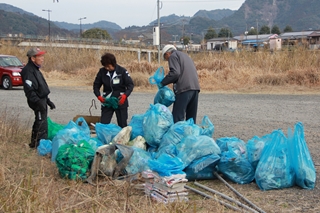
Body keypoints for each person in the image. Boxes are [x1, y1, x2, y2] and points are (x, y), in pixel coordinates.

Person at [21, 47, 56, 148]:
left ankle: (36, 144)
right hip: (37, 102)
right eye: (40, 56)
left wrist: (48, 101)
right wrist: (37, 102)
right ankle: (39, 146)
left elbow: (41, 89)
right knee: (41, 124)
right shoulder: (28, 71)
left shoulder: (36, 69)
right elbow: (29, 90)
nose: (42, 58)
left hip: (42, 100)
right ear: (33, 58)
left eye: (42, 56)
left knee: (41, 121)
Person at [159, 44, 200, 123]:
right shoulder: (185, 56)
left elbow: (175, 73)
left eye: (166, 58)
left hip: (184, 89)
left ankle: (177, 135)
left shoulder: (173, 56)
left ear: (167, 53)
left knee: (177, 117)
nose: (167, 60)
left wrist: (163, 83)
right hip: (195, 88)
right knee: (191, 119)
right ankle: (191, 134)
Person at [93, 53, 134, 128]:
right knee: (104, 124)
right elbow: (96, 86)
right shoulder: (102, 72)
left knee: (122, 124)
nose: (107, 68)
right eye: (105, 66)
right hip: (107, 101)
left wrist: (125, 95)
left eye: (108, 66)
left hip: (120, 100)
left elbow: (130, 85)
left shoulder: (122, 71)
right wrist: (98, 96)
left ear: (113, 63)